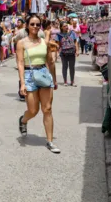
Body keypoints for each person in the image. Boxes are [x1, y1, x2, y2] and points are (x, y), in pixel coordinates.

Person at [17, 14, 59, 153]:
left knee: (47, 109)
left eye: (37, 24)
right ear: (27, 25)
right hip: (29, 75)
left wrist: (54, 78)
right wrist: (22, 83)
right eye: (32, 24)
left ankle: (50, 141)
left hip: (43, 74)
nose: (35, 27)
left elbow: (50, 62)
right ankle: (23, 120)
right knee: (33, 110)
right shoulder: (21, 43)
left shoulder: (44, 42)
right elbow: (21, 63)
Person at [54, 21, 80, 86]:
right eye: (64, 26)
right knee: (64, 67)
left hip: (72, 52)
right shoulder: (59, 35)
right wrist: (58, 52)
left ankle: (72, 81)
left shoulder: (72, 33)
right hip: (63, 53)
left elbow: (75, 42)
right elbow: (58, 44)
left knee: (72, 67)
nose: (66, 27)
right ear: (61, 27)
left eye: (66, 26)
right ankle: (65, 81)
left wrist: (77, 50)